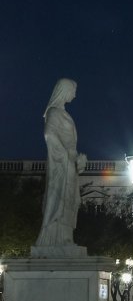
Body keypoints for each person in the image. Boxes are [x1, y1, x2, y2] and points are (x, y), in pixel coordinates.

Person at [36, 78, 85, 248]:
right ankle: (54, 239)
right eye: (73, 90)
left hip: (69, 164)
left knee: (69, 200)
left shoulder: (64, 114)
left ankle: (66, 238)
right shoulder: (54, 112)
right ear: (64, 91)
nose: (75, 94)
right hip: (61, 164)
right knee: (60, 199)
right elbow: (49, 135)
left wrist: (78, 160)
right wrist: (66, 156)